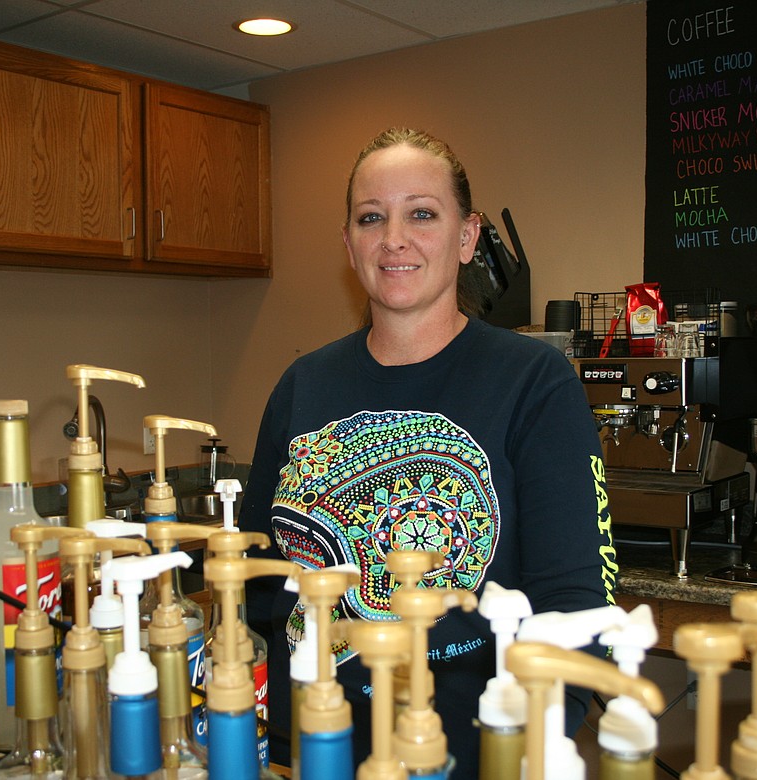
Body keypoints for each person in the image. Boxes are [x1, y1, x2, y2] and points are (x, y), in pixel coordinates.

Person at [241, 127, 616, 778]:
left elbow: (576, 605)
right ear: (348, 241)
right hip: (307, 753)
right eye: (370, 217)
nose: (394, 238)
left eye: (422, 213)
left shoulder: (533, 382)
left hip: (469, 756)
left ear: (467, 236)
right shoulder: (304, 385)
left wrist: (526, 754)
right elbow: (261, 580)